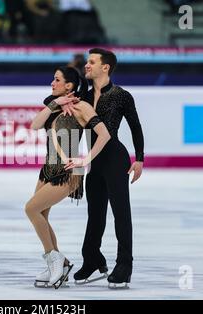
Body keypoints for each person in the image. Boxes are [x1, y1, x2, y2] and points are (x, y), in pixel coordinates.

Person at [25, 66, 111, 289]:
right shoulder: (52, 104)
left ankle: (54, 260)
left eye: (56, 80)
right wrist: (55, 104)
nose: (52, 83)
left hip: (69, 171)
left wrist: (85, 159)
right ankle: (60, 264)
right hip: (48, 168)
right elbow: (34, 125)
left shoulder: (81, 107)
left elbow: (104, 134)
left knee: (31, 209)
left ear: (69, 85)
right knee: (41, 213)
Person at [68, 48, 144, 289]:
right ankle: (92, 260)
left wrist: (139, 159)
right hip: (95, 162)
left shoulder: (121, 95)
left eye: (92, 62)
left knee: (121, 213)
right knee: (95, 214)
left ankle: (124, 265)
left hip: (115, 159)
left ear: (105, 67)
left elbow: (135, 127)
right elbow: (77, 132)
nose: (87, 66)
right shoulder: (85, 98)